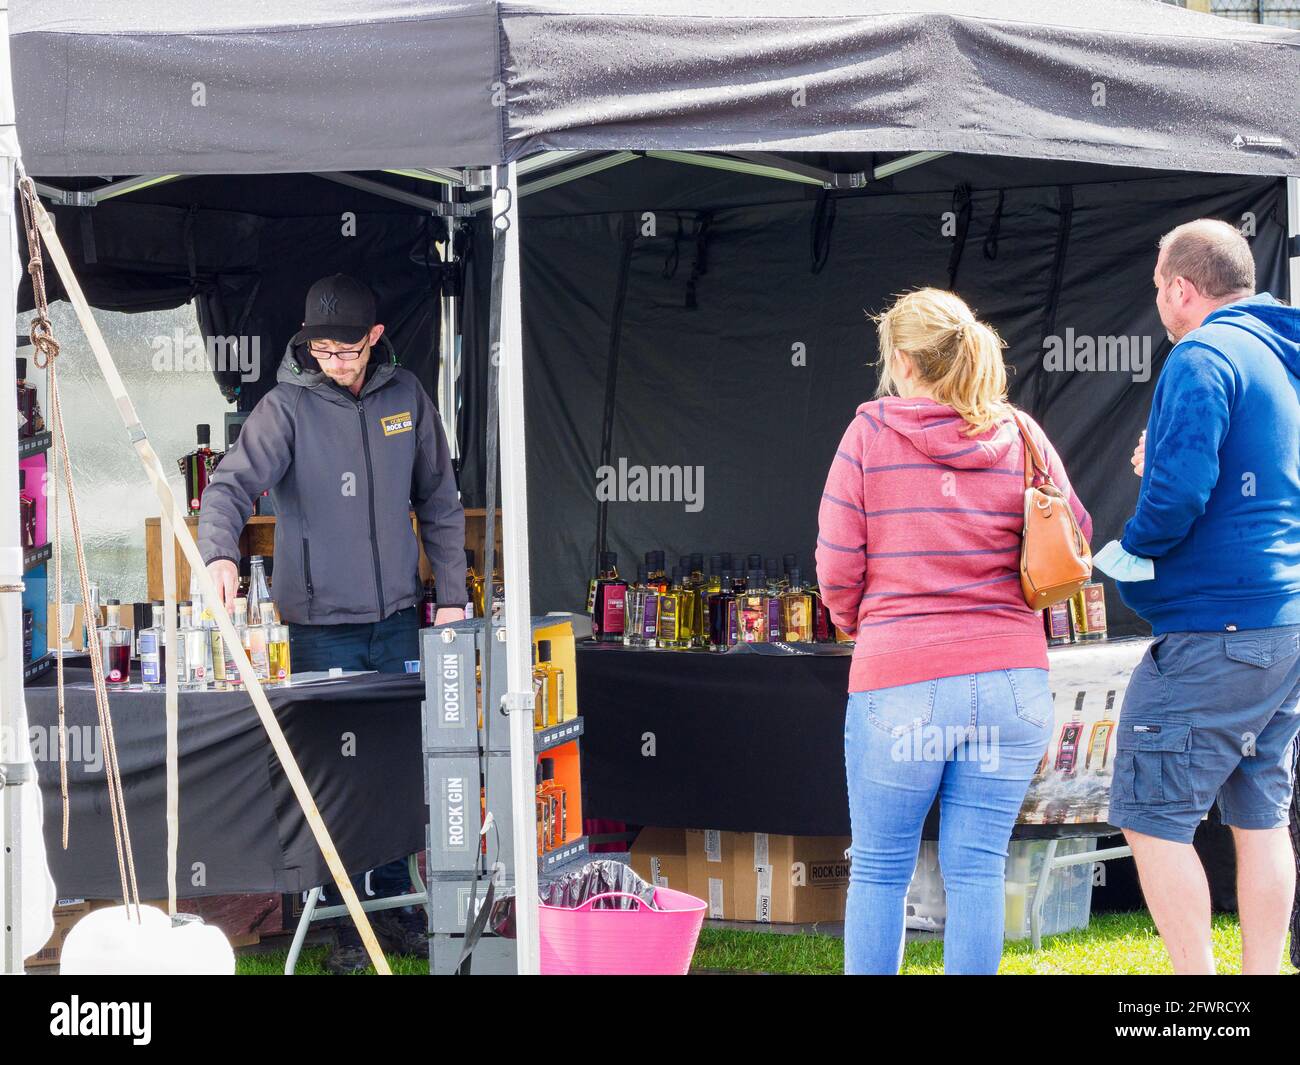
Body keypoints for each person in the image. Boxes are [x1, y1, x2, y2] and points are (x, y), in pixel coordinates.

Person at [816, 287, 1091, 975]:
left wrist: (865, 625)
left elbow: (837, 563)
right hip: (1012, 684)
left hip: (901, 682)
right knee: (976, 872)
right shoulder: (1022, 436)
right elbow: (1075, 538)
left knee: (881, 870)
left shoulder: (869, 435)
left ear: (904, 361)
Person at [198, 274, 467, 973]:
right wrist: (218, 556)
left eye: (346, 350)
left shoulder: (407, 397)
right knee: (336, 775)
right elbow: (227, 486)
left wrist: (455, 596)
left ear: (374, 340)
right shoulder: (283, 408)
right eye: (321, 350)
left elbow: (439, 499)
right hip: (321, 626)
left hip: (400, 619)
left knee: (397, 767)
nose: (334, 362)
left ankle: (396, 903)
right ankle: (346, 924)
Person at [1101, 219, 1300, 975]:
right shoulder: (1281, 355)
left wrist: (1132, 543)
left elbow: (1180, 494)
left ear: (1182, 289)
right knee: (1261, 817)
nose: (1156, 299)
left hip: (1214, 628)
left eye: (1157, 285)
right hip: (1282, 622)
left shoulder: (1201, 354)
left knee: (1152, 820)